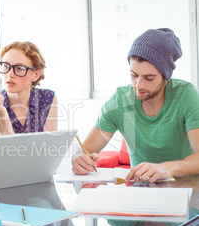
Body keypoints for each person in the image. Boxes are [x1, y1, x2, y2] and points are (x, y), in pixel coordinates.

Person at [72, 28, 199, 183]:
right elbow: (85, 149)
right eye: (134, 75)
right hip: (139, 191)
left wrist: (167, 168)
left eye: (149, 78)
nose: (138, 85)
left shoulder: (186, 96)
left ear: (166, 76)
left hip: (186, 191)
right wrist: (78, 159)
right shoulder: (120, 100)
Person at [0, 41, 58, 153]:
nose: (10, 74)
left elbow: (48, 150)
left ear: (35, 75)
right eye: (6, 66)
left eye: (20, 68)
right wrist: (2, 116)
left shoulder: (47, 98)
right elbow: (7, 154)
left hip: (35, 168)